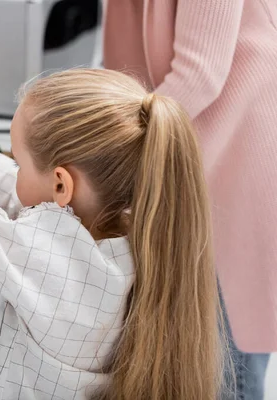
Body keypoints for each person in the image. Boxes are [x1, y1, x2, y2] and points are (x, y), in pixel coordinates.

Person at [0, 70, 223, 399]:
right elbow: (39, 200)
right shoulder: (137, 234)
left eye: (19, 163)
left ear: (61, 183)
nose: (15, 170)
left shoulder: (47, 253)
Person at [103, 1, 277, 398]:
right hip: (180, 153)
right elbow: (123, 74)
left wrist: (107, 154)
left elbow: (199, 74)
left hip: (241, 150)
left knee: (228, 361)